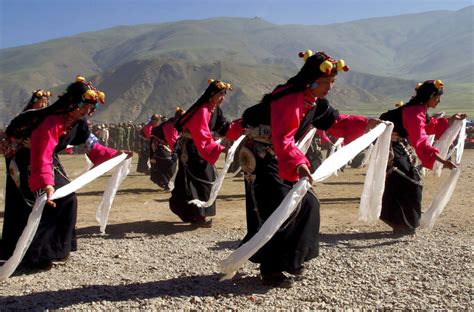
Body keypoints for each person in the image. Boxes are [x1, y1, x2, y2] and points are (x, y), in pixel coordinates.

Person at [239, 50, 380, 288]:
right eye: (325, 82)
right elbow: (283, 138)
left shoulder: (315, 103)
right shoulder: (289, 98)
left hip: (284, 158)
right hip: (262, 160)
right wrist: (300, 163)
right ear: (311, 80)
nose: (329, 87)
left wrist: (366, 123)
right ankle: (271, 269)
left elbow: (335, 122)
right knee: (278, 209)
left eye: (332, 82)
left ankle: (293, 259)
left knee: (308, 204)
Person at [0, 75, 131, 270]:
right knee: (42, 201)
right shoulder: (51, 122)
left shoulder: (78, 123)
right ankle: (36, 255)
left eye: (91, 108)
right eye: (84, 106)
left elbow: (92, 146)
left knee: (67, 197)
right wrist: (46, 183)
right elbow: (41, 154)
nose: (87, 111)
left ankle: (57, 249)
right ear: (72, 103)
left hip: (45, 157)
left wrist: (116, 155)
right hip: (24, 158)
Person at [379, 80, 467, 235]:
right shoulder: (413, 112)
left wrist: (452, 119)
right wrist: (441, 160)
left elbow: (430, 125)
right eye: (437, 97)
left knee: (407, 180)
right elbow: (420, 141)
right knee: (409, 181)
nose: (438, 101)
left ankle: (401, 222)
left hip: (397, 145)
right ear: (429, 96)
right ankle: (400, 222)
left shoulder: (419, 110)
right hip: (389, 145)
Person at [169, 79, 243, 226]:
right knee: (199, 180)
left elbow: (224, 127)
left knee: (196, 180)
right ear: (212, 95)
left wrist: (241, 127)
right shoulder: (202, 111)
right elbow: (202, 137)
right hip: (193, 149)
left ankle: (193, 214)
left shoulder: (214, 109)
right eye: (220, 94)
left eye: (224, 95)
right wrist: (220, 147)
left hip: (200, 148)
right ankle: (198, 216)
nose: (223, 98)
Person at [149, 107, 185, 190]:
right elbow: (172, 140)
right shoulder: (171, 125)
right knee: (168, 162)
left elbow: (175, 138)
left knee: (169, 163)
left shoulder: (174, 123)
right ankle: (165, 182)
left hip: (163, 145)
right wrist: (176, 151)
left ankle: (167, 182)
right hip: (159, 145)